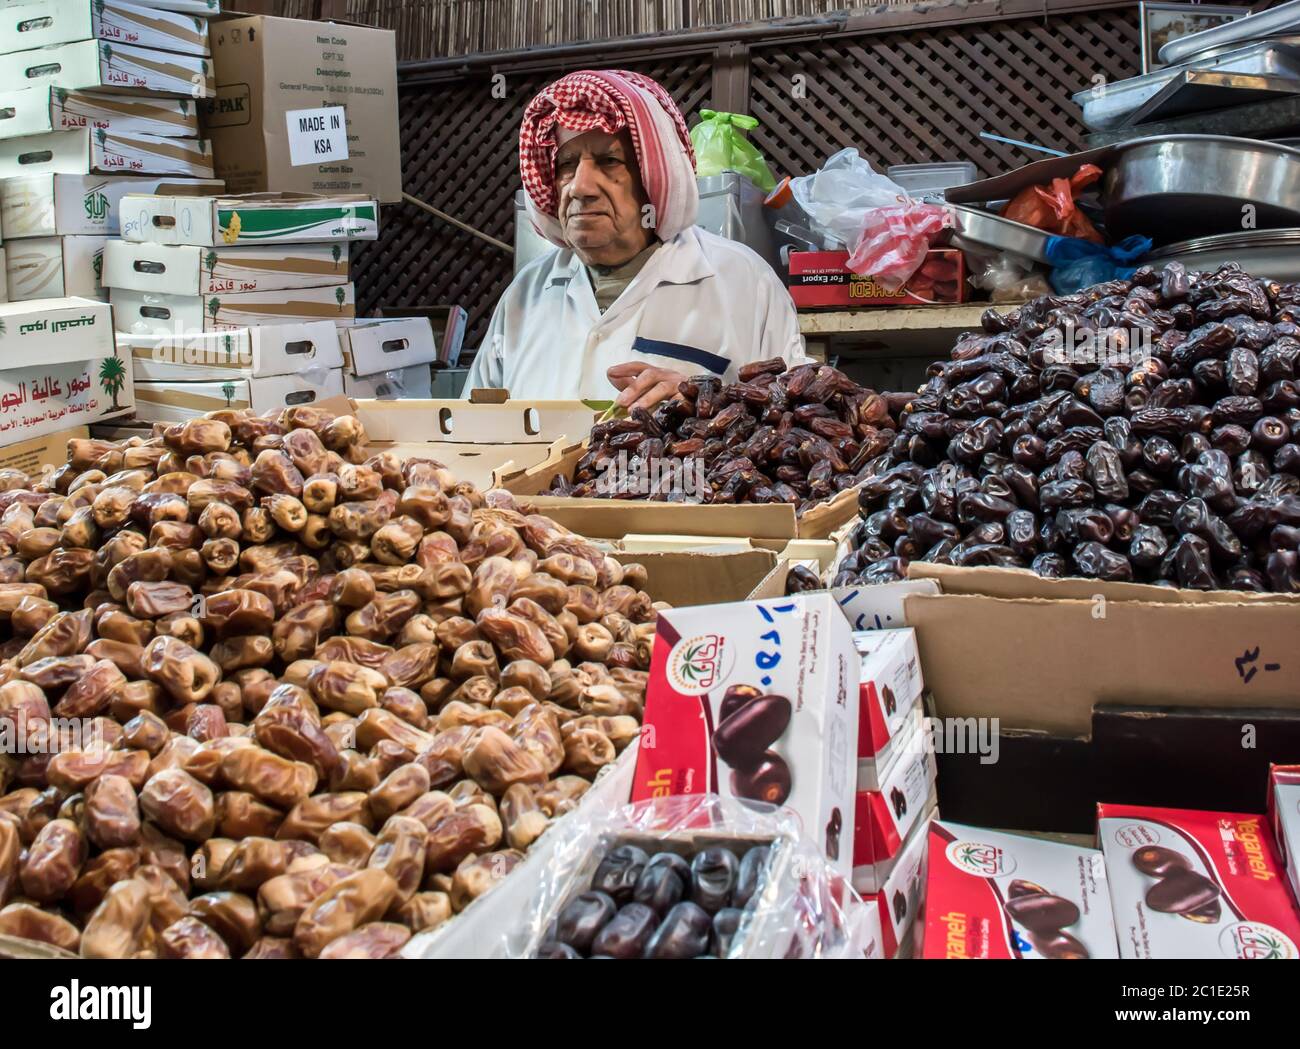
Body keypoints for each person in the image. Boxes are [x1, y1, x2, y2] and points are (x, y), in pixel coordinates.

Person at [465, 69, 806, 409]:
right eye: (566, 164)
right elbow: (471, 429)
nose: (580, 188)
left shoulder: (745, 282)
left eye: (609, 161)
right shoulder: (525, 295)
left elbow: (798, 425)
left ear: (654, 177)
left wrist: (709, 405)